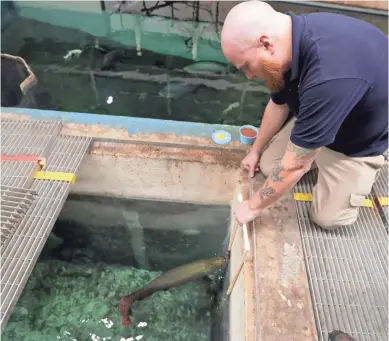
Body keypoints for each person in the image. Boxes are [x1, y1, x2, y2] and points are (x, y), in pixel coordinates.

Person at [221, 1, 388, 228]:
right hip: (323, 109)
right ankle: (313, 145)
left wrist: (253, 207)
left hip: (355, 141)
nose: (249, 75)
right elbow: (278, 104)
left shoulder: (328, 77)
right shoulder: (288, 41)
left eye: (247, 66)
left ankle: (368, 168)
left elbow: (294, 166)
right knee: (269, 166)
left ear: (265, 44)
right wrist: (255, 151)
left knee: (328, 219)